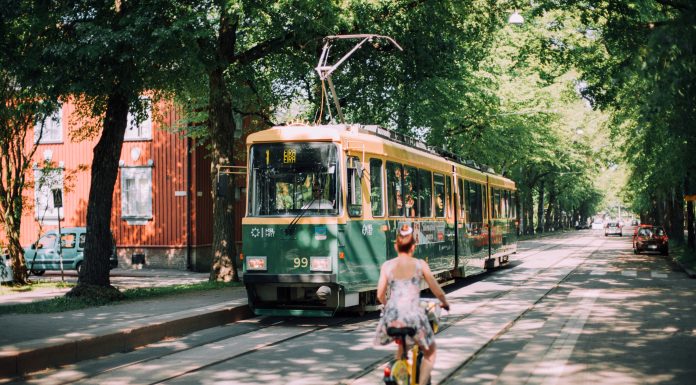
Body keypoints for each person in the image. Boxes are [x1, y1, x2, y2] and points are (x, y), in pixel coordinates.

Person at [374, 224, 450, 385]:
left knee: (401, 345)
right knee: (430, 351)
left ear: (396, 246)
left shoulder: (387, 266)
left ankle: (399, 371)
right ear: (413, 247)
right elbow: (437, 290)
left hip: (391, 318)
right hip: (413, 317)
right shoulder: (420, 264)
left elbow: (380, 294)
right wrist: (444, 303)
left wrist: (388, 305)